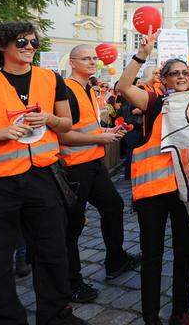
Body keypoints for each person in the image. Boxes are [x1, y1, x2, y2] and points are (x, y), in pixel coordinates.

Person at [0, 21, 84, 324]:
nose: (30, 48)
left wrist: (49, 118)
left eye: (34, 43)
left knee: (52, 251)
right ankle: (4, 319)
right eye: (22, 42)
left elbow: (66, 125)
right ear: (2, 46)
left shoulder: (51, 79)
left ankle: (57, 315)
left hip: (43, 176)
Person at [117, 28, 189, 325]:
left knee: (184, 253)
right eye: (174, 73)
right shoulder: (153, 103)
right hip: (153, 192)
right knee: (152, 255)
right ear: (163, 79)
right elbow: (124, 87)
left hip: (186, 191)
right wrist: (141, 56)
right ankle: (150, 316)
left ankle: (180, 310)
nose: (180, 77)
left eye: (185, 72)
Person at [59, 44, 139, 304]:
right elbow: (63, 134)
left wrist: (107, 132)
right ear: (72, 62)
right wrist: (100, 136)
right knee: (73, 224)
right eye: (86, 58)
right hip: (73, 166)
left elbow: (89, 126)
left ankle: (115, 259)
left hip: (92, 163)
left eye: (94, 58)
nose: (94, 61)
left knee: (113, 206)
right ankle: (71, 283)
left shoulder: (89, 88)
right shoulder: (66, 89)